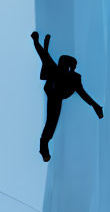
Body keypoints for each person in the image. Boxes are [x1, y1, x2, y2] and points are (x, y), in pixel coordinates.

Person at [31, 31, 103, 161]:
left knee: (52, 122)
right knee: (51, 122)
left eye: (71, 67)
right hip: (54, 92)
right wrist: (36, 41)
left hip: (58, 93)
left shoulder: (74, 78)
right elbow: (43, 54)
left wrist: (95, 106)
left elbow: (83, 94)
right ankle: (44, 145)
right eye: (70, 67)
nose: (71, 69)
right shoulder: (58, 71)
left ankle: (44, 144)